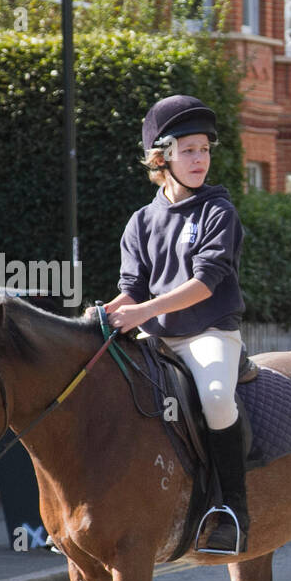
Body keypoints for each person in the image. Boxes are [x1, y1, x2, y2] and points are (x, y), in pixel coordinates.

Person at [104, 94, 249, 554]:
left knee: (217, 398)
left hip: (209, 335)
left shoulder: (218, 212)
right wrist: (103, 317)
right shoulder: (141, 221)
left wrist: (143, 312)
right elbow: (132, 287)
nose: (200, 159)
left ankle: (232, 512)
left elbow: (206, 283)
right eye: (188, 150)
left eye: (205, 149)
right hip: (158, 339)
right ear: (161, 157)